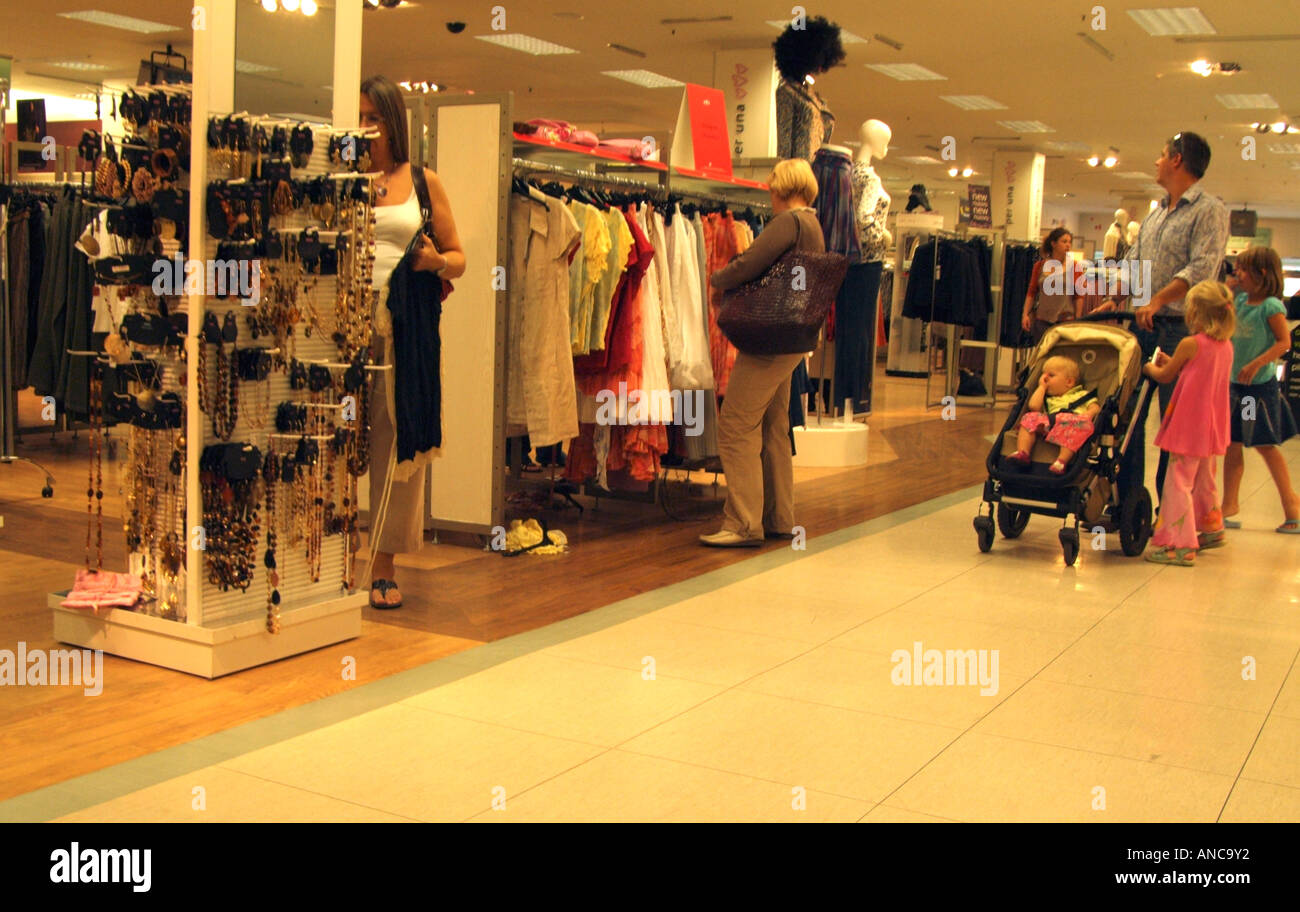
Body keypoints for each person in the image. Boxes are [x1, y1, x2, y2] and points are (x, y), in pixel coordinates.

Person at [360, 75, 466, 608]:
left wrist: (433, 263)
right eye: (357, 117)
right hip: (339, 328)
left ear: (392, 122)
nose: (364, 128)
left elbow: (459, 257)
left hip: (403, 331)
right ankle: (323, 554)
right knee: (330, 444)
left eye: (372, 118)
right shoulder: (339, 178)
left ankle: (383, 564)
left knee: (394, 446)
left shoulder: (422, 181)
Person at [1095, 132, 1229, 508]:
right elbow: (1133, 263)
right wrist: (1116, 298)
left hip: (1181, 330)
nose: (1155, 161)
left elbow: (1202, 267)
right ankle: (1127, 501)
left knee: (1177, 422)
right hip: (1143, 328)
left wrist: (1157, 300)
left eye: (1161, 154)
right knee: (1127, 412)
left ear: (1177, 160)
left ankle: (1173, 509)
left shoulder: (1209, 210)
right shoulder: (1154, 215)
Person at [700, 159, 827, 547]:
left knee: (736, 425)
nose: (769, 196)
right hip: (794, 338)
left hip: (770, 341)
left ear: (782, 188)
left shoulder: (788, 222)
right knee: (774, 426)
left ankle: (742, 523)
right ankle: (778, 517)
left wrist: (716, 279)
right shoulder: (814, 225)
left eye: (772, 188)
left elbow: (750, 262)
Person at [1139, 280, 1235, 566]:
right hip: (1212, 424)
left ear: (1195, 313)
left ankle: (1178, 544)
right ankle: (1211, 526)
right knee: (1204, 476)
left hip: (1189, 424)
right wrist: (1176, 362)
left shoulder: (1189, 343)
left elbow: (1165, 376)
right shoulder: (1225, 345)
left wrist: (1148, 367)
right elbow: (1198, 374)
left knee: (1178, 480)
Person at [1220, 246, 1300, 533]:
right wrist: (1227, 291)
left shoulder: (1271, 306)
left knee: (1264, 444)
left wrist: (1258, 363)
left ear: (1261, 273)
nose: (1237, 274)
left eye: (1242, 269)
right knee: (1233, 443)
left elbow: (1284, 342)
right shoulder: (1239, 300)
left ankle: (1292, 505)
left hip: (1257, 391)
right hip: (1236, 386)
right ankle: (1229, 503)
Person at [1007, 355, 1101, 475]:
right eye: (1043, 374)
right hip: (1050, 425)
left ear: (1069, 382)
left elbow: (1096, 407)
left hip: (1072, 425)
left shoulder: (1082, 395)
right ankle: (1023, 453)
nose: (1044, 378)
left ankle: (1061, 461)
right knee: (1029, 417)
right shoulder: (1048, 398)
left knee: (1081, 426)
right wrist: (1041, 387)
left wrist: (1088, 414)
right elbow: (1034, 407)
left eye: (1050, 375)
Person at [1020, 228, 1084, 343]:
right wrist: (1025, 314)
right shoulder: (1040, 266)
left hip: (1065, 320)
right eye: (1064, 242)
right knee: (1042, 353)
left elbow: (1079, 296)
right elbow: (1032, 292)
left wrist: (1077, 319)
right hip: (1043, 319)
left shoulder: (1074, 266)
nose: (1068, 245)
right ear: (1053, 244)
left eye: (1070, 242)